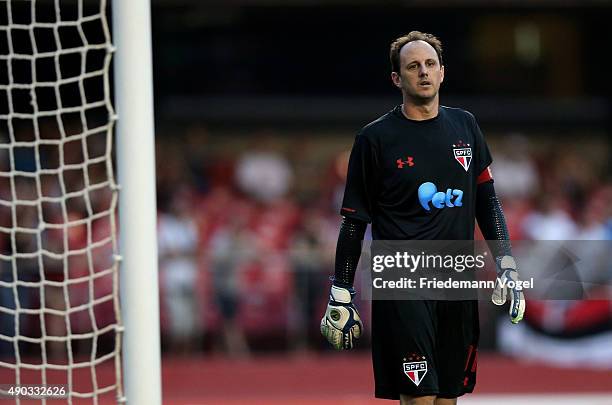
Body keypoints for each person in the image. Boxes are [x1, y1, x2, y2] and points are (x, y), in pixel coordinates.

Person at [320, 31, 526, 405]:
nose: (424, 72)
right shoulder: (374, 139)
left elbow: (488, 203)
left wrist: (507, 265)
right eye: (413, 66)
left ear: (443, 72)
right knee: (419, 399)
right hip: (403, 280)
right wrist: (342, 290)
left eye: (430, 64)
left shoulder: (466, 126)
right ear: (397, 79)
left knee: (448, 397)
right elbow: (354, 221)